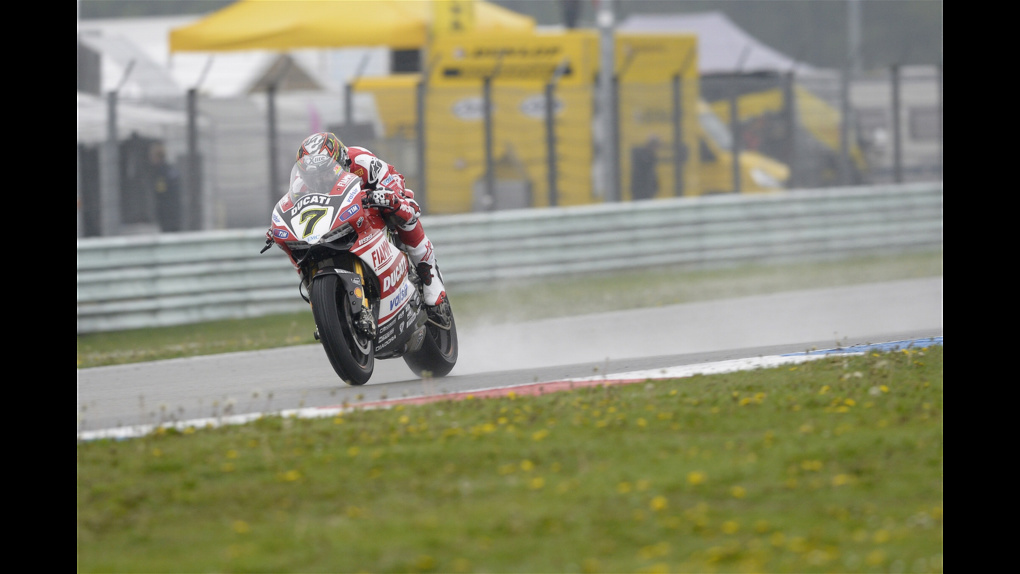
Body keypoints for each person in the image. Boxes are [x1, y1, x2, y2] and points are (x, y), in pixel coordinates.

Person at [295, 132, 447, 308]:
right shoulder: (301, 184)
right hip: (337, 217)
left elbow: (391, 184)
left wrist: (389, 197)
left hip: (373, 200)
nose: (321, 180)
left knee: (405, 211)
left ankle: (429, 273)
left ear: (340, 161)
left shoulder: (362, 161)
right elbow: (294, 207)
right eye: (314, 177)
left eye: (325, 172)